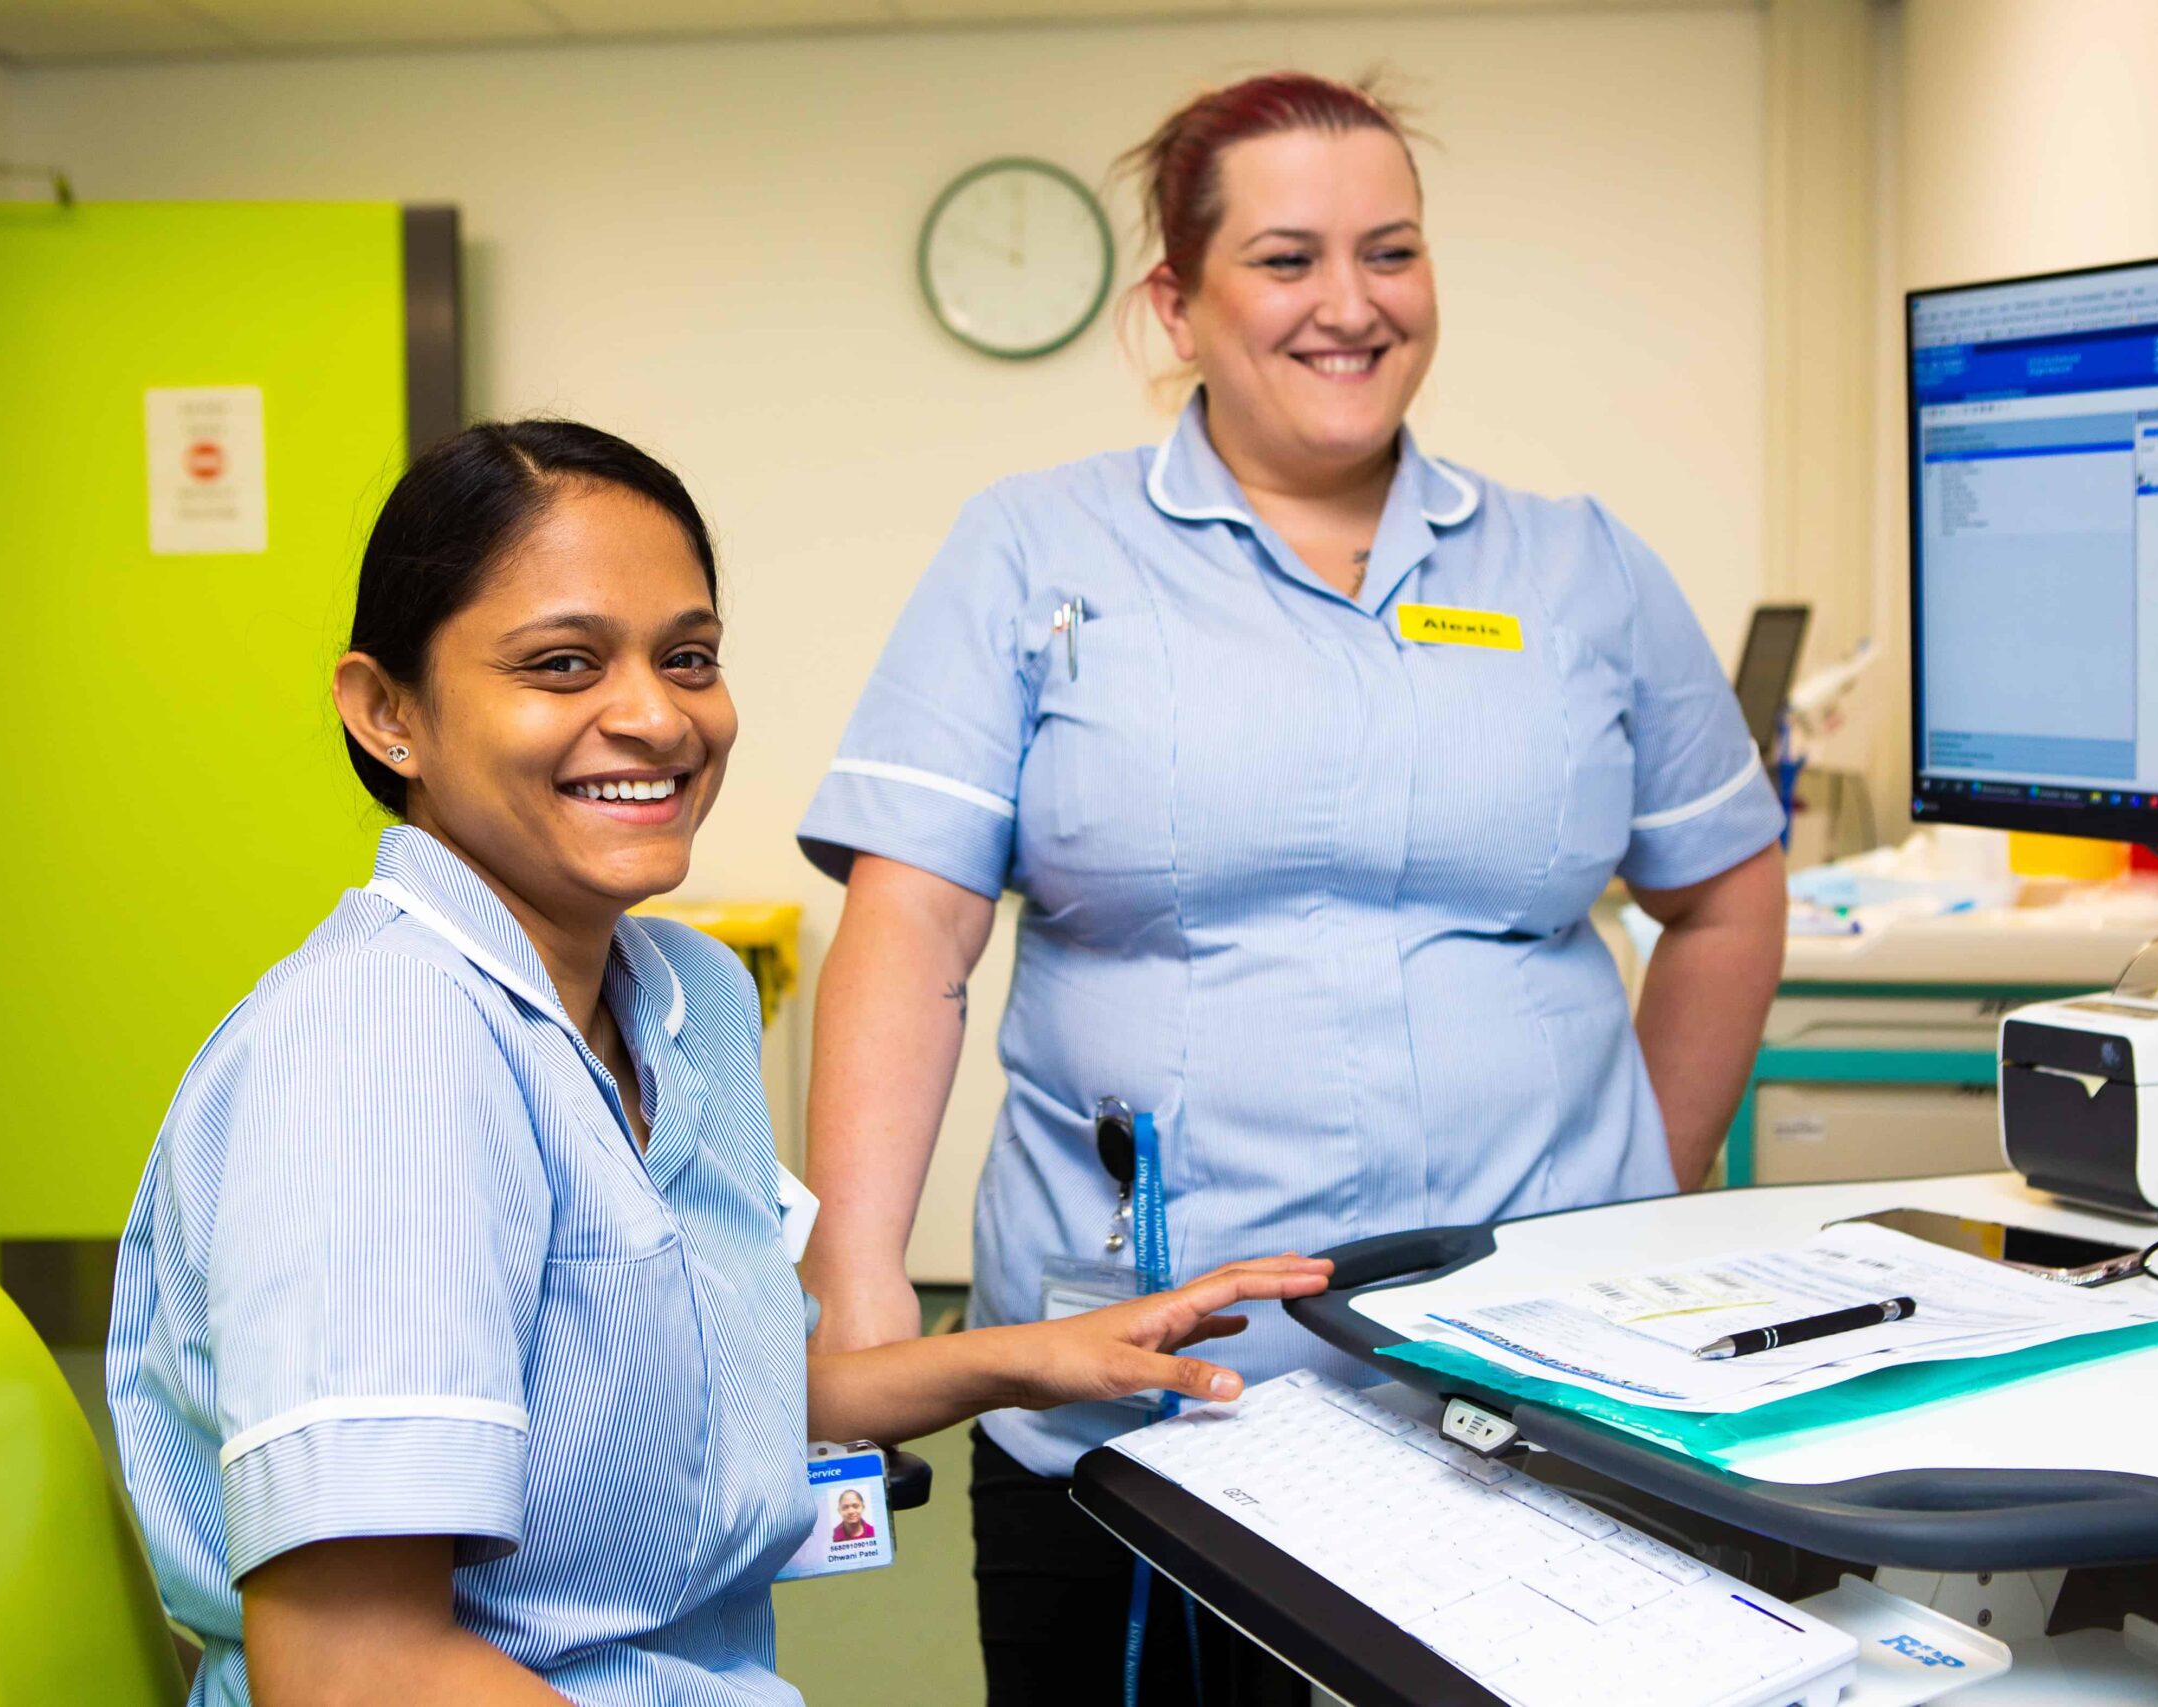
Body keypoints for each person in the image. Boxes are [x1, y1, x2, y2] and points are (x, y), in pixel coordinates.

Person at [794, 71, 1787, 1704]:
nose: (1350, 305)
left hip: (1543, 1381)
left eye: (1390, 252)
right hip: (1155, 1395)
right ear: (1175, 303)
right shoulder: (1037, 554)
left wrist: (1629, 1204)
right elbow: (911, 928)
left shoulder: (1578, 566)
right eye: (1286, 259)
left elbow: (1730, 896)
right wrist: (871, 1296)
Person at [105, 420, 1329, 1707]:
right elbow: (354, 1670)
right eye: (563, 663)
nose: (653, 717)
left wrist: (1031, 1355)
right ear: (388, 713)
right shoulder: (385, 1056)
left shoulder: (677, 998)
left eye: (687, 658)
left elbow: (712, 1396)